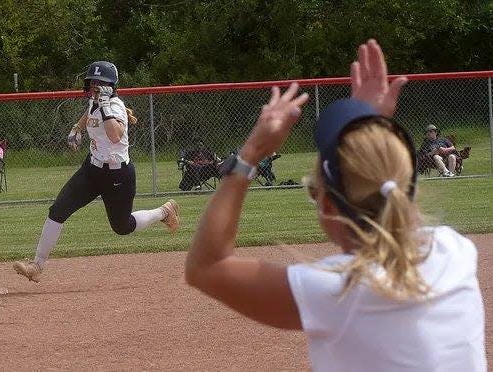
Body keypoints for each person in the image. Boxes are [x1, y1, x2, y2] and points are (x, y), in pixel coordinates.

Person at [185, 40, 485, 371]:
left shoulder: (336, 290)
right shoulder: (454, 250)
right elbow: (389, 190)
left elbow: (205, 267)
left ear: (326, 205)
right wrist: (371, 134)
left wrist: (251, 153)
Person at [13, 61, 180, 282]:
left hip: (118, 176)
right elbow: (88, 115)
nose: (95, 86)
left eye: (100, 83)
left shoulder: (116, 106)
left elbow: (115, 135)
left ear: (111, 86)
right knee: (58, 210)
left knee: (123, 227)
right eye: (92, 82)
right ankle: (37, 265)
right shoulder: (94, 103)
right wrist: (77, 129)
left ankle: (163, 212)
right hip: (92, 171)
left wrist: (105, 105)